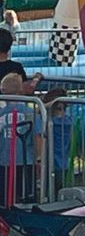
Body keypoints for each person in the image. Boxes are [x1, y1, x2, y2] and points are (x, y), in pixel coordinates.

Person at [0, 70, 43, 203]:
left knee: (5, 196)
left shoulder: (1, 113)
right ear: (20, 90)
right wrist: (39, 157)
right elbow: (37, 137)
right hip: (26, 160)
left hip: (4, 160)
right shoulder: (30, 112)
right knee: (26, 194)